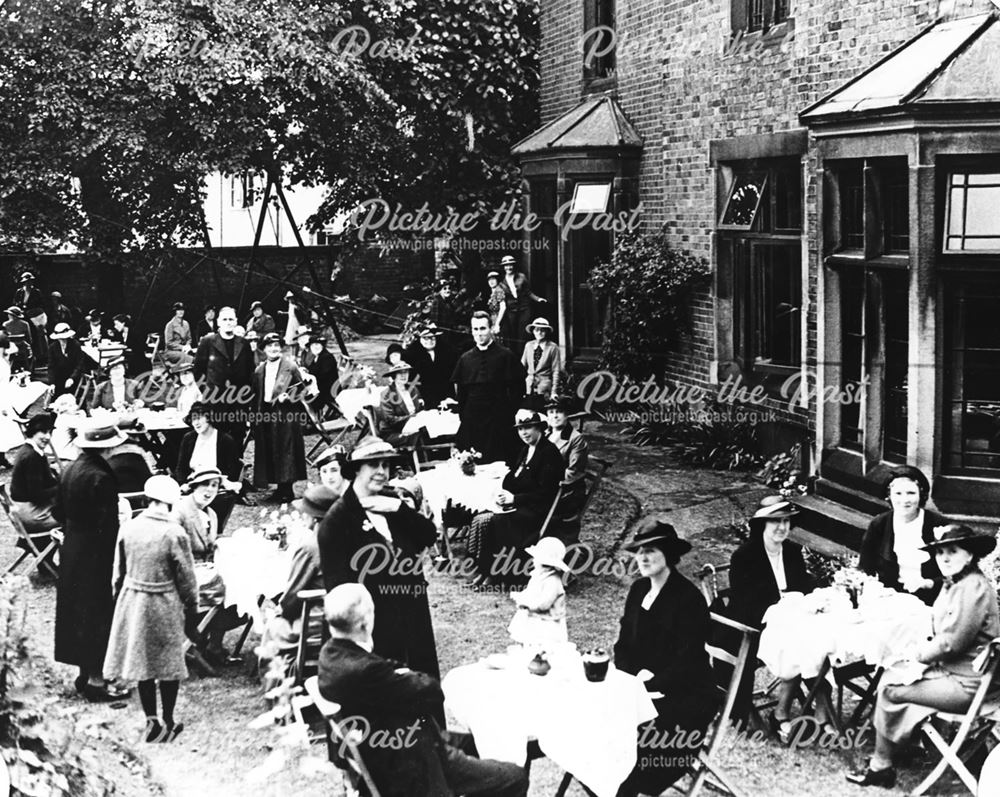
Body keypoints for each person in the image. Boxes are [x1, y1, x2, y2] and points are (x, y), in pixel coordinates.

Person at [318, 584, 529, 797]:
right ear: (365, 623)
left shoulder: (331, 655)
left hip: (400, 746)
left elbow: (396, 675)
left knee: (487, 739)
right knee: (515, 777)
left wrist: (400, 675)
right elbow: (432, 693)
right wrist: (404, 675)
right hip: (414, 765)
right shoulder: (366, 671)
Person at [847, 524, 1000, 788]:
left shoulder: (972, 588)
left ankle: (881, 766)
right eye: (940, 553)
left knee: (890, 689)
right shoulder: (957, 583)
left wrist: (917, 654)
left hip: (970, 685)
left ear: (970, 555)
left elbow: (952, 643)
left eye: (953, 551)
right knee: (894, 675)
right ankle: (904, 749)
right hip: (956, 673)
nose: (946, 559)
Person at [317, 436, 440, 680]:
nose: (382, 472)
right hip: (374, 626)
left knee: (423, 692)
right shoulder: (337, 520)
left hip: (413, 617)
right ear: (355, 470)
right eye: (374, 465)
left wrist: (399, 509)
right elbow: (340, 590)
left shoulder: (390, 503)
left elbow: (428, 534)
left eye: (386, 465)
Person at [613, 518, 718, 797]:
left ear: (668, 554)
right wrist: (630, 680)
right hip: (640, 689)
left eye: (651, 550)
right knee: (601, 724)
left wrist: (652, 685)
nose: (643, 557)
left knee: (637, 749)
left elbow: (689, 660)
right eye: (639, 551)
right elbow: (623, 645)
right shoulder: (638, 590)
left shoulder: (688, 599)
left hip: (683, 696)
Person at [103, 475, 197, 743]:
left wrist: (119, 600)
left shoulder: (129, 528)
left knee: (142, 662)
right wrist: (192, 608)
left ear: (147, 498)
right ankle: (168, 720)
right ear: (171, 502)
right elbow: (187, 579)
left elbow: (117, 574)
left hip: (133, 599)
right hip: (163, 600)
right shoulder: (174, 532)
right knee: (167, 664)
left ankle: (150, 720)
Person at [727, 496, 823, 736]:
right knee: (801, 641)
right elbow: (744, 601)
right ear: (763, 524)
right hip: (754, 626)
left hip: (791, 622)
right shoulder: (744, 556)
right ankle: (802, 711)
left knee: (818, 638)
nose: (782, 527)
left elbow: (802, 584)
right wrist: (783, 607)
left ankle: (800, 709)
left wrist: (816, 595)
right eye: (775, 521)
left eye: (786, 521)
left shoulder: (791, 551)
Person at [52, 422, 130, 702]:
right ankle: (97, 681)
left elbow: (57, 510)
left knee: (77, 611)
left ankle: (85, 675)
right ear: (107, 447)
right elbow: (107, 524)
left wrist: (74, 530)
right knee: (96, 611)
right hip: (96, 552)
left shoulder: (70, 469)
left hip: (73, 548)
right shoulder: (101, 476)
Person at [468, 409, 563, 588]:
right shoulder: (526, 449)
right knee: (481, 518)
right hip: (521, 503)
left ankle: (498, 575)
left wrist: (515, 499)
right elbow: (514, 477)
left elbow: (546, 493)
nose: (524, 433)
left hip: (539, 509)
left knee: (495, 521)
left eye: (528, 428)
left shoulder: (549, 452)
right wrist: (502, 493)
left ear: (539, 428)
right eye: (520, 429)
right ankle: (484, 570)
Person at [859, 465, 945, 605]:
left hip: (932, 599)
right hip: (890, 599)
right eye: (898, 494)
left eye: (911, 493)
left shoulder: (938, 524)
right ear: (889, 496)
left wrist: (928, 583)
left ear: (921, 494)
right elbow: (865, 566)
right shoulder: (879, 524)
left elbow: (955, 572)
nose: (904, 500)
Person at [451, 311, 523, 462]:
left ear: (491, 329)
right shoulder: (465, 359)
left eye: (483, 329)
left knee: (500, 462)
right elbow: (461, 395)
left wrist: (509, 413)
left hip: (499, 419)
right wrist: (465, 418)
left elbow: (517, 390)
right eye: (475, 329)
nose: (479, 334)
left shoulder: (505, 355)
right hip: (473, 421)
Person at [252, 333, 311, 503]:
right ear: (264, 349)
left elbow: (302, 391)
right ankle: (278, 487)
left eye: (277, 345)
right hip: (266, 414)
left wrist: (290, 397)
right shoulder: (259, 370)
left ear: (281, 348)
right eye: (269, 346)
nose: (273, 349)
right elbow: (256, 395)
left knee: (286, 450)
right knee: (271, 449)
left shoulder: (290, 367)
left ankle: (288, 489)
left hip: (286, 414)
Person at [175, 402, 243, 530]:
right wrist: (183, 483)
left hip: (215, 485)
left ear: (209, 418)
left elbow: (233, 469)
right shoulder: (188, 438)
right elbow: (180, 467)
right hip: (191, 484)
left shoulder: (225, 440)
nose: (196, 423)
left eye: (199, 418)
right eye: (193, 419)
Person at [192, 306, 254, 443]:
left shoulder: (244, 344)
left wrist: (245, 395)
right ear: (218, 322)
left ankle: (237, 464)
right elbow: (198, 371)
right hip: (215, 402)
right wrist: (208, 391)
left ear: (236, 322)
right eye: (224, 319)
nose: (228, 322)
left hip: (238, 401)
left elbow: (250, 371)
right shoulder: (207, 342)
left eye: (231, 319)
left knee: (238, 436)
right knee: (216, 438)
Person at [9, 413, 60, 550]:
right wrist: (61, 486)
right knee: (72, 519)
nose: (47, 437)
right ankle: (48, 561)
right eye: (43, 432)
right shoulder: (32, 457)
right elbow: (36, 494)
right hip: (32, 515)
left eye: (50, 432)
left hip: (21, 511)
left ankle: (45, 560)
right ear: (33, 432)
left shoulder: (27, 450)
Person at [508, 536, 569, 648]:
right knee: (529, 642)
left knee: (544, 646)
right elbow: (531, 591)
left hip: (547, 621)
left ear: (543, 562)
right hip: (534, 616)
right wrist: (520, 595)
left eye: (535, 559)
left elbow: (544, 604)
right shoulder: (537, 575)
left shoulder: (552, 581)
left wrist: (526, 603)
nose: (533, 561)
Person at [544, 396, 590, 542]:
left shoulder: (576, 438)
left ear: (567, 415)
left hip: (567, 490)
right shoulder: (546, 434)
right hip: (548, 485)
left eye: (559, 412)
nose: (555, 416)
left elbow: (573, 472)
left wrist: (544, 479)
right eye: (551, 412)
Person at [498, 255, 547, 356]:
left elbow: (528, 292)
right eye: (506, 265)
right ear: (503, 267)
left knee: (523, 335)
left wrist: (538, 299)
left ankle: (523, 358)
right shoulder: (502, 283)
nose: (509, 267)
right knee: (512, 335)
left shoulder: (521, 277)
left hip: (524, 309)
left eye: (510, 265)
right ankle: (514, 358)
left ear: (513, 265)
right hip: (511, 311)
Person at [403, 322, 458, 410]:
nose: (429, 341)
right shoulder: (411, 355)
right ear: (420, 338)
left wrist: (450, 396)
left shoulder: (446, 352)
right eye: (425, 338)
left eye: (432, 338)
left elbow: (450, 376)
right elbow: (411, 380)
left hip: (445, 396)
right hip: (424, 396)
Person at [377, 361, 424, 446]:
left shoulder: (413, 389)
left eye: (406, 372)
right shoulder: (387, 394)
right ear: (394, 376)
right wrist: (411, 418)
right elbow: (390, 419)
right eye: (400, 373)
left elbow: (420, 409)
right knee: (421, 434)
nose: (403, 375)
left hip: (415, 424)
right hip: (394, 431)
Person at [520, 318, 561, 400]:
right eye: (537, 330)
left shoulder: (553, 347)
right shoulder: (528, 345)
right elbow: (521, 367)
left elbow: (556, 371)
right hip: (528, 387)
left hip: (544, 388)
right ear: (533, 331)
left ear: (546, 332)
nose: (539, 332)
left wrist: (554, 392)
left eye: (542, 330)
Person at [47, 323, 89, 398]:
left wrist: (72, 378)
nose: (62, 340)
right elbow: (51, 366)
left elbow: (80, 364)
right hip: (59, 377)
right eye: (60, 338)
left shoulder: (75, 345)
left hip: (74, 376)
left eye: (64, 338)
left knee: (75, 398)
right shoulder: (52, 347)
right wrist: (52, 383)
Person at [302, 334, 338, 415]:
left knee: (305, 396)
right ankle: (312, 416)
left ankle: (313, 417)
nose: (315, 347)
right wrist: (306, 371)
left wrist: (309, 377)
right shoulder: (317, 356)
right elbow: (314, 370)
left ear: (322, 346)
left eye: (318, 344)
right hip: (322, 386)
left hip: (329, 390)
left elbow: (323, 376)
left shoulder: (327, 357)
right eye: (313, 345)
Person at [163, 302, 193, 367]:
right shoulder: (170, 325)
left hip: (184, 350)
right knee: (189, 358)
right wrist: (182, 347)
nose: (181, 312)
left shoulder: (186, 324)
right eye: (179, 310)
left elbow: (189, 338)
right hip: (171, 352)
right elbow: (168, 343)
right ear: (175, 311)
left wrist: (187, 346)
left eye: (182, 310)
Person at [485, 270, 507, 334]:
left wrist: (497, 323)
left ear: (497, 280)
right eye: (489, 280)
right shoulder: (493, 292)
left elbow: (503, 307)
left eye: (493, 279)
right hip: (493, 318)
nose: (491, 281)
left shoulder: (499, 291)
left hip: (499, 319)